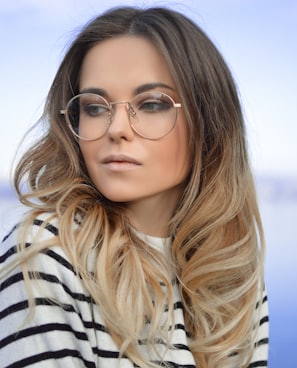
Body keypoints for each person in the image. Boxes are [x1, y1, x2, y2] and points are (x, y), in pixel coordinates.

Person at [0, 6, 269, 368]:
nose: (116, 128)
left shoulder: (230, 269)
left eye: (152, 103)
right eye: (95, 107)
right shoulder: (47, 252)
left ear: (209, 120)